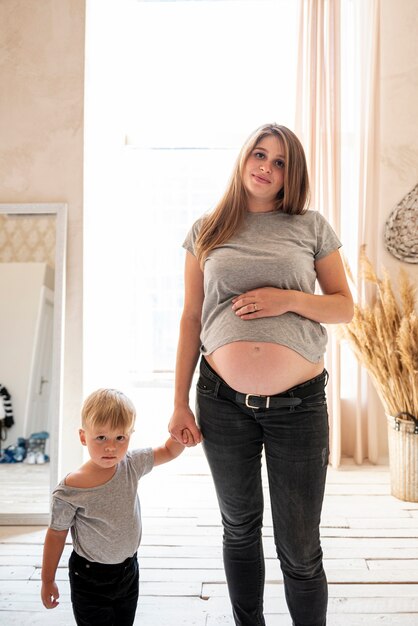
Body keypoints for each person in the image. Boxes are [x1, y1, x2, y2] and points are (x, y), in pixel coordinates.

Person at [168, 123, 353, 626]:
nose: (266, 168)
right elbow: (190, 317)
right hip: (220, 401)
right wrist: (180, 400)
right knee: (239, 528)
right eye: (260, 154)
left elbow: (344, 308)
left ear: (291, 175)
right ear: (244, 157)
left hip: (299, 406)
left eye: (280, 162)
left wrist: (286, 298)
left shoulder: (310, 226)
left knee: (299, 546)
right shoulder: (207, 230)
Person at [41, 388, 187, 626]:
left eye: (120, 438)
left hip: (128, 570)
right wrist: (48, 579)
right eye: (101, 438)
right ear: (83, 437)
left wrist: (182, 435)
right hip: (90, 577)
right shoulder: (70, 489)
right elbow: (56, 535)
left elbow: (169, 450)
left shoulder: (131, 464)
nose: (111, 447)